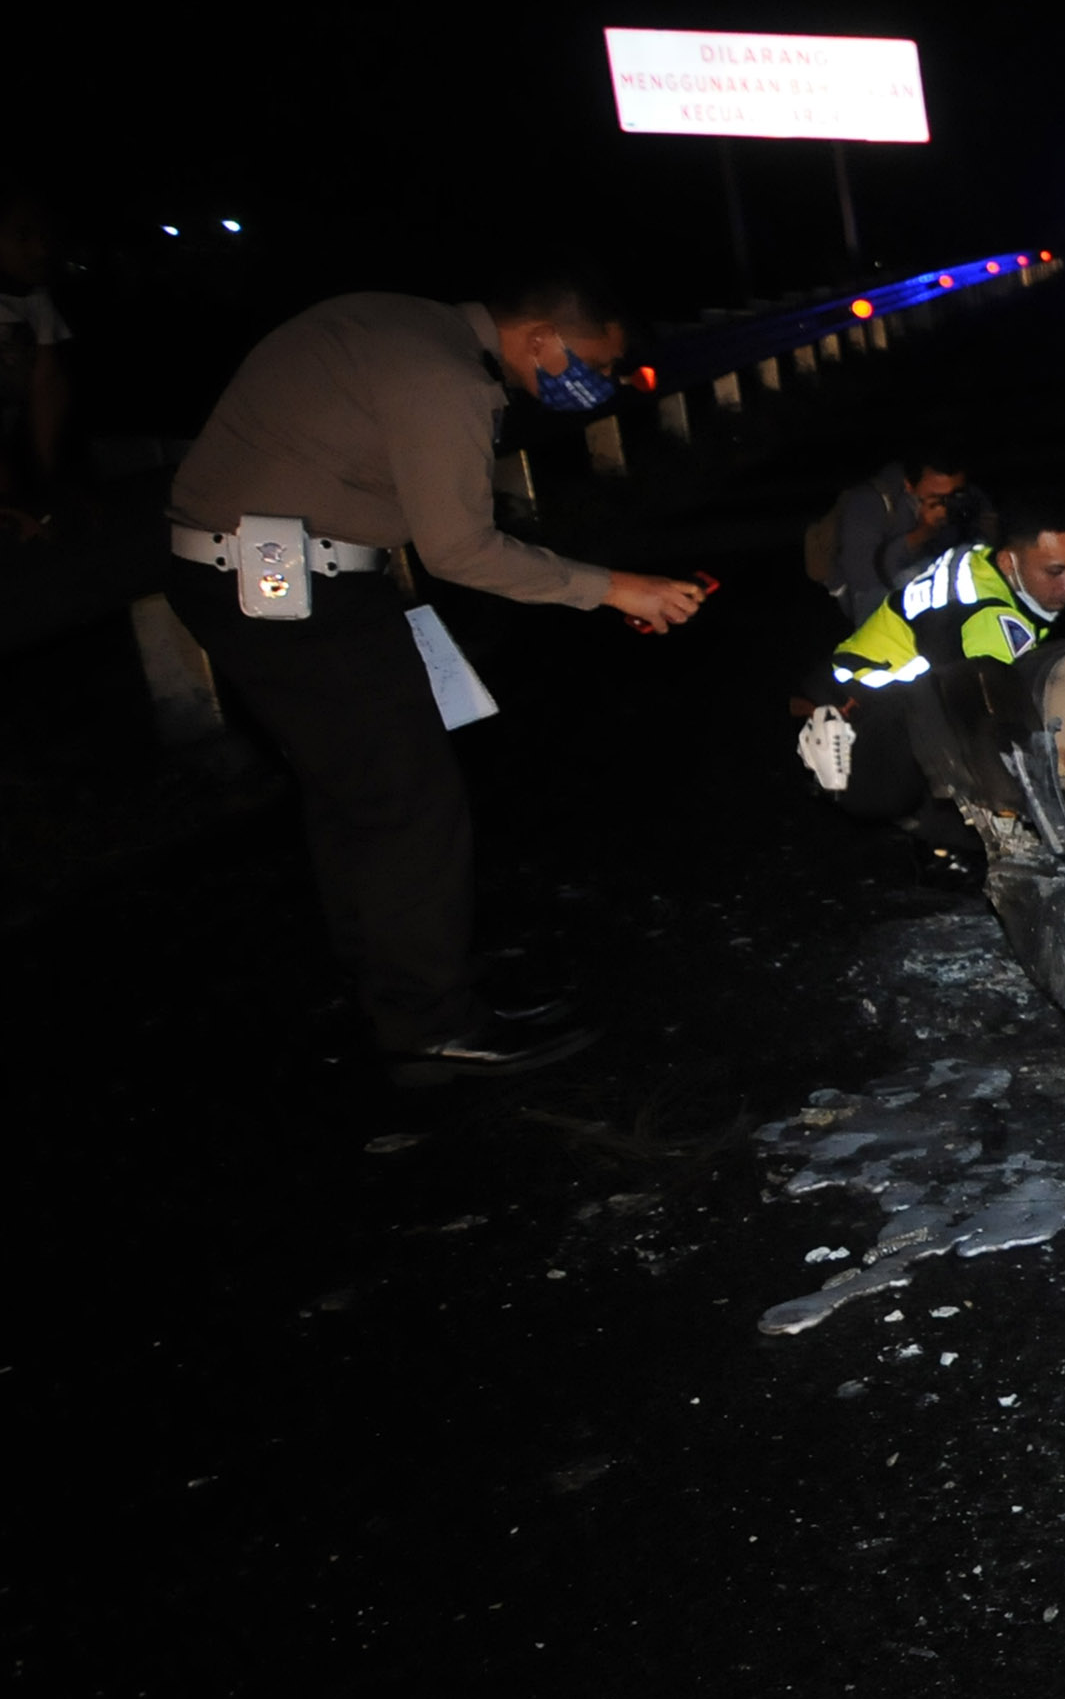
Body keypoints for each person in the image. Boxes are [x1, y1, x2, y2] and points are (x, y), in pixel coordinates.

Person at [164, 273, 707, 1083]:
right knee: (406, 801)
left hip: (277, 577)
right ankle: (430, 1026)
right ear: (539, 338)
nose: (599, 380)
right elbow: (458, 548)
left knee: (358, 796)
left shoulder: (402, 323)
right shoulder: (443, 376)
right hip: (291, 590)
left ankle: (400, 996)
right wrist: (616, 587)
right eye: (595, 360)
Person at [814, 511, 1065, 830]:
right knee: (994, 752)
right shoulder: (985, 619)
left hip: (879, 673)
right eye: (1055, 571)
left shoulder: (985, 564)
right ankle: (937, 832)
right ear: (1008, 563)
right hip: (871, 703)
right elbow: (992, 717)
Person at [810, 445, 977, 625]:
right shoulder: (866, 506)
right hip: (870, 595)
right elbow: (867, 585)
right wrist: (923, 533)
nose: (947, 506)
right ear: (909, 486)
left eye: (954, 495)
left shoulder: (966, 499)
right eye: (937, 498)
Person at [0, 185, 70, 541]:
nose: (41, 249)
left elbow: (47, 387)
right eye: (22, 235)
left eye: (44, 234)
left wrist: (48, 483)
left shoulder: (36, 301)